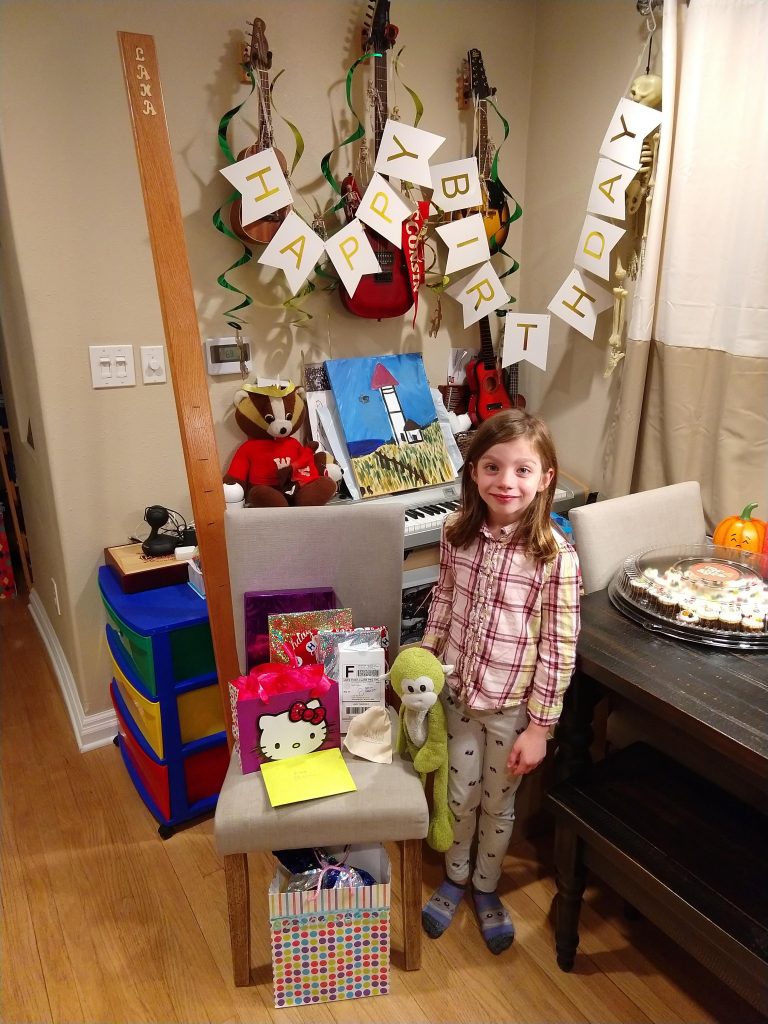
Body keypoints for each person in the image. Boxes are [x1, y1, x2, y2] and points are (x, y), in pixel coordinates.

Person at [420, 409, 581, 954]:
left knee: (497, 804)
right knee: (458, 796)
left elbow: (558, 649)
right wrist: (426, 657)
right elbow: (444, 598)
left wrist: (540, 729)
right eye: (492, 467)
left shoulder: (556, 557)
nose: (506, 481)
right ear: (473, 471)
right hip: (458, 696)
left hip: (512, 711)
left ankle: (486, 887)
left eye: (522, 470)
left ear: (546, 478)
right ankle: (455, 876)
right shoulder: (456, 533)